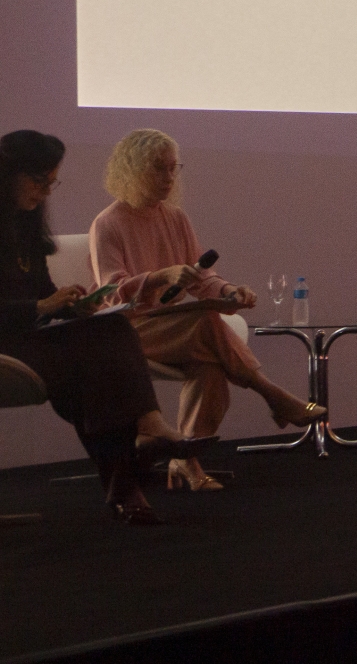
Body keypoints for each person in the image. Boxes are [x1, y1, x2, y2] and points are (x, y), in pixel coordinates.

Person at [90, 129, 322, 491]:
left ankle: (186, 461)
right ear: (132, 169)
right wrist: (159, 277)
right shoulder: (108, 223)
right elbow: (111, 293)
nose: (169, 177)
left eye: (173, 168)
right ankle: (271, 393)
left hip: (169, 327)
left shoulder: (175, 218)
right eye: (159, 168)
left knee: (210, 365)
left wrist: (229, 291)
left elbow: (200, 277)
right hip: (126, 330)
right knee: (205, 322)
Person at [1, 129, 213, 525]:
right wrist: (42, 306)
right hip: (7, 345)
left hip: (31, 337)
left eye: (52, 182)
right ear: (8, 174)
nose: (46, 192)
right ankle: (127, 479)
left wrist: (74, 306)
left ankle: (141, 448)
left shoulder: (25, 226)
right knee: (94, 370)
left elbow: (43, 293)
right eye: (39, 181)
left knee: (111, 328)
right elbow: (36, 304)